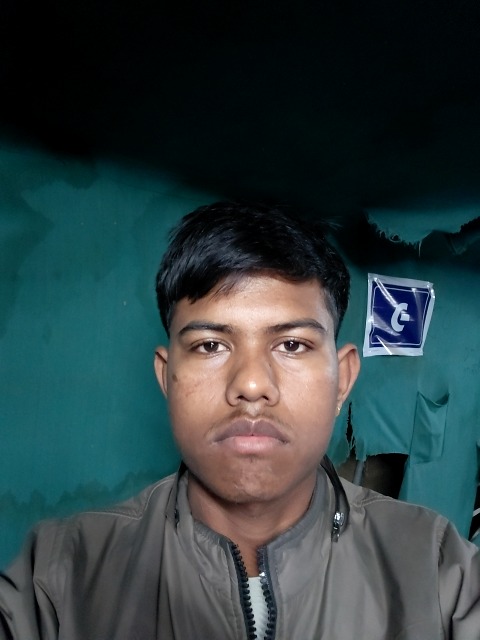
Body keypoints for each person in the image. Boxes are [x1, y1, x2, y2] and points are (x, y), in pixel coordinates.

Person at [0, 201, 479, 640]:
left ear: (343, 381)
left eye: (292, 344)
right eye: (211, 345)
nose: (251, 384)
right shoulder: (58, 579)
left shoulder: (439, 571)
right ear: (167, 378)